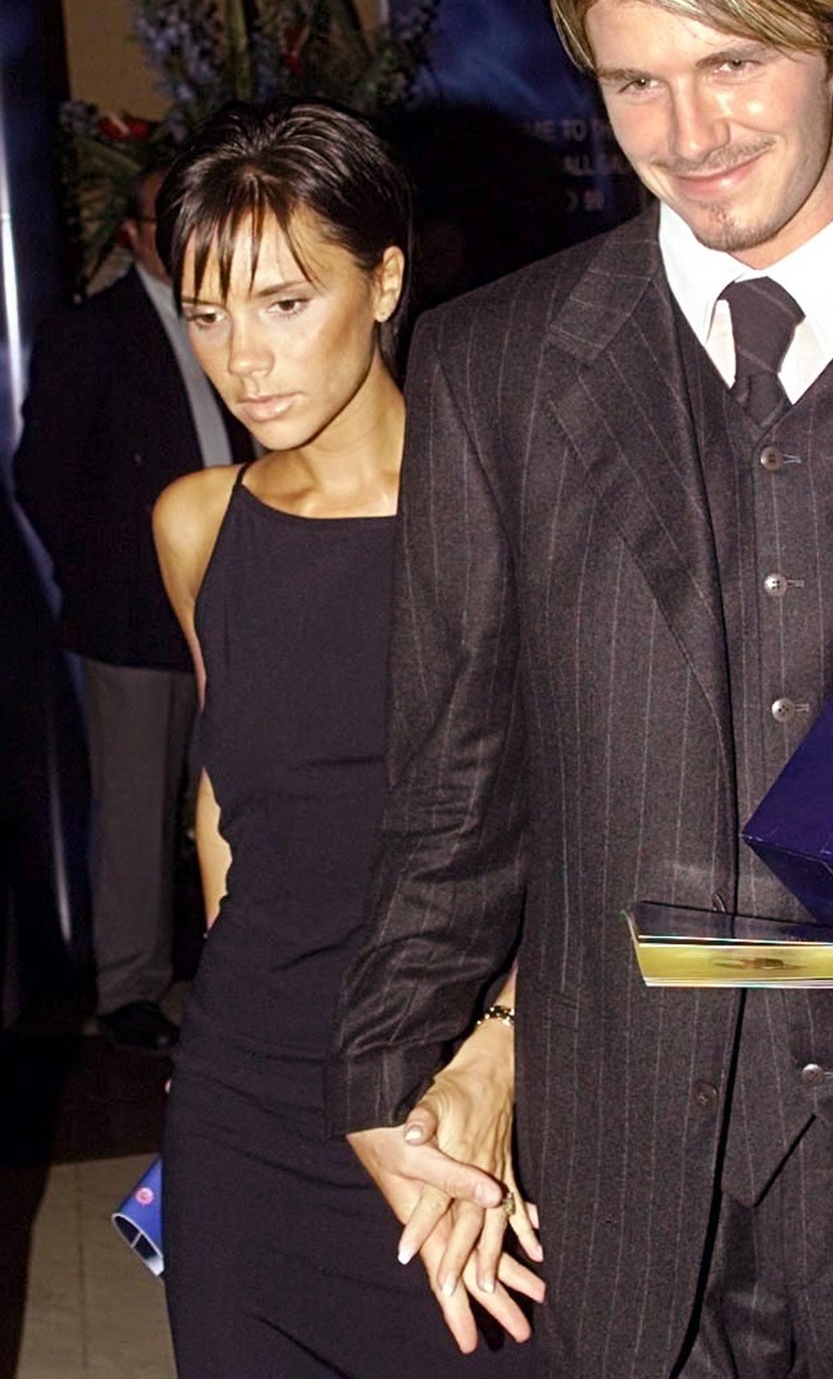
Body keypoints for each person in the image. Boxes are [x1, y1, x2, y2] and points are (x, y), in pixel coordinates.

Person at [327, 0, 833, 1379]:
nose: (689, 131)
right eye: (635, 80)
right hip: (633, 1173)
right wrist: (397, 1062)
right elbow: (456, 779)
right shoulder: (499, 367)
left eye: (732, 66)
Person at [149, 97, 543, 1376]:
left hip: (458, 1082)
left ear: (384, 280)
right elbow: (226, 795)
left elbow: (605, 822)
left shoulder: (506, 506)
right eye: (206, 315)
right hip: (247, 1101)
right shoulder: (198, 522)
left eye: (282, 303)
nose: (242, 360)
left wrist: (500, 1051)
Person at [13, 163, 252, 1053]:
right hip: (133, 619)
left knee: (239, 797)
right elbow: (41, 475)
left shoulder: (231, 319)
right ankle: (129, 987)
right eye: (168, 217)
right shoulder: (92, 332)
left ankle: (237, 980)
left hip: (240, 609)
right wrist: (108, 573)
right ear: (134, 232)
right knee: (135, 809)